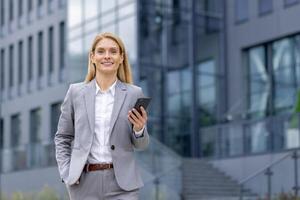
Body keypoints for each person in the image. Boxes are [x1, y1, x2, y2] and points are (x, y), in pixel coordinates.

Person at [54, 32, 150, 200]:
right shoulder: (76, 93)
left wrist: (139, 129)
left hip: (123, 185)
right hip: (83, 184)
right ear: (92, 57)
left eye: (113, 51)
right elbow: (63, 136)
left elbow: (141, 145)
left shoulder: (134, 93)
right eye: (101, 51)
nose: (107, 56)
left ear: (121, 58)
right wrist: (66, 172)